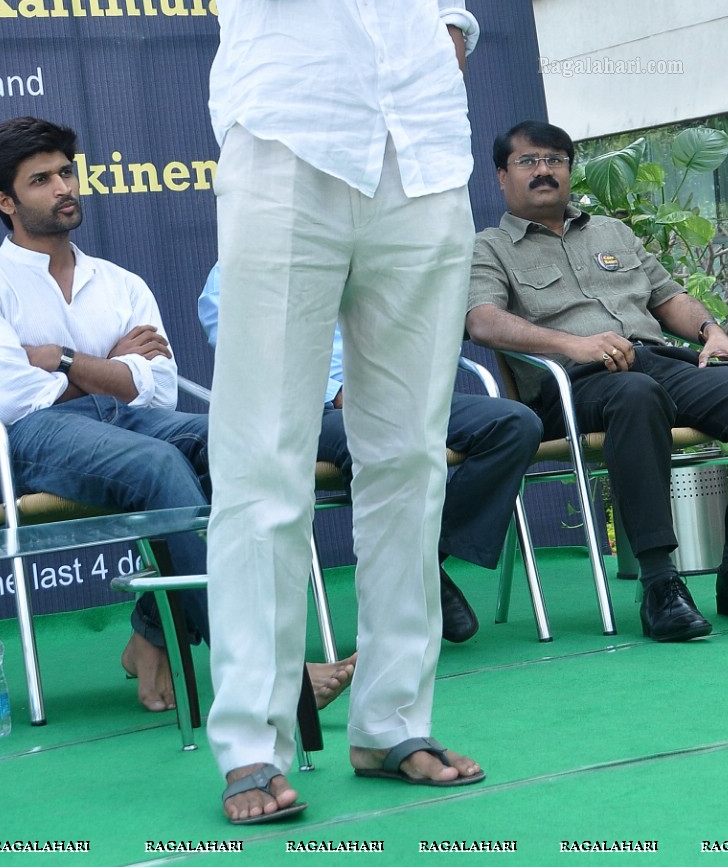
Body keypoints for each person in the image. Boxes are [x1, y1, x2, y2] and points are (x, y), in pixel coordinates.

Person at [165, 0, 484, 823]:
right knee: (264, 461)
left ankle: (393, 719)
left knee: (409, 452)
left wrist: (427, 77)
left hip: (418, 162)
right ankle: (250, 739)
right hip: (289, 152)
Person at [0, 115, 355, 715]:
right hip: (24, 446)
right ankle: (266, 672)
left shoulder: (120, 283)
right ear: (4, 200)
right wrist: (110, 367)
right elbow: (8, 396)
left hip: (128, 424)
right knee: (158, 463)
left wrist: (61, 359)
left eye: (66, 172)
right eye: (41, 180)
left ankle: (153, 634)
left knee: (247, 440)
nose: (64, 188)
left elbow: (156, 390)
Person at [466, 119, 728, 643]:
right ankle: (660, 583)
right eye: (528, 161)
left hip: (657, 363)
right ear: (501, 177)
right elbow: (482, 320)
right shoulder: (488, 247)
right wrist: (574, 344)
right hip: (571, 386)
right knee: (636, 396)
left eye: (555, 160)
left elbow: (668, 299)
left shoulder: (612, 234)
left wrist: (712, 331)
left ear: (569, 171)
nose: (543, 171)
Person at [198, 263, 543, 642]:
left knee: (514, 425)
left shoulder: (366, 251)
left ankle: (412, 564)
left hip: (394, 395)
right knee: (373, 435)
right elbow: (248, 358)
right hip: (303, 410)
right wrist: (336, 391)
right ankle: (410, 569)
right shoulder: (238, 267)